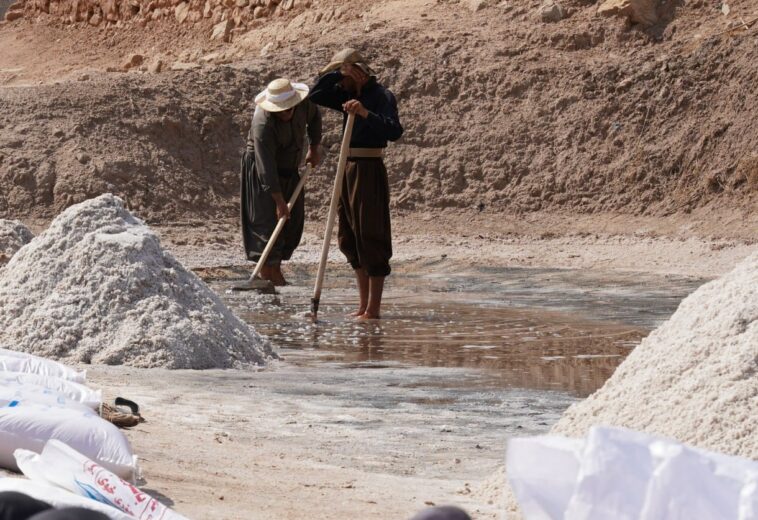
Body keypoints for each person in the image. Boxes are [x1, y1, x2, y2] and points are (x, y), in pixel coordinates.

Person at [309, 48, 403, 319]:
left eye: (346, 75)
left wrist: (364, 113)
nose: (340, 82)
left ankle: (373, 309)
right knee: (349, 236)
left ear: (360, 74)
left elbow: (394, 131)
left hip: (368, 169)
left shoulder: (381, 96)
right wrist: (338, 72)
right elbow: (316, 94)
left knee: (370, 234)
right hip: (346, 168)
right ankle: (362, 305)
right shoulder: (346, 92)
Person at [241, 78, 323, 286]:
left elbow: (314, 118)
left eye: (288, 110)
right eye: (280, 111)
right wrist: (278, 201)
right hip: (262, 173)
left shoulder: (304, 103)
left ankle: (275, 271)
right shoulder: (263, 123)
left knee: (292, 222)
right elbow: (266, 167)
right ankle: (268, 274)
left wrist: (314, 147)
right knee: (267, 224)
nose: (285, 114)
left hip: (290, 168)